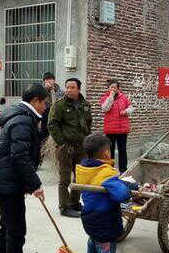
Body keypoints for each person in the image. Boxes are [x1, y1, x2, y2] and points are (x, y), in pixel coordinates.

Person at [0, 83, 47, 253]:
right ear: (35, 101)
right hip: (8, 183)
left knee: (7, 227)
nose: (45, 107)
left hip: (5, 181)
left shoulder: (18, 116)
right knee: (16, 231)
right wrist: (35, 184)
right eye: (44, 102)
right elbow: (20, 156)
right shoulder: (22, 120)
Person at [76, 133, 137, 253]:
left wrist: (120, 183)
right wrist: (127, 188)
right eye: (110, 149)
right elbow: (121, 195)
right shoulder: (105, 172)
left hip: (89, 218)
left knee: (93, 244)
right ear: (105, 153)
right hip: (105, 222)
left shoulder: (83, 167)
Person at [48, 78, 93, 218]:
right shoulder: (59, 105)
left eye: (72, 87)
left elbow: (88, 122)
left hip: (82, 147)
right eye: (67, 87)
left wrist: (87, 140)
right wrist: (61, 143)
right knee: (64, 179)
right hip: (66, 147)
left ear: (79, 89)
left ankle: (74, 203)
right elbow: (52, 125)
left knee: (80, 177)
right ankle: (64, 207)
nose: (68, 90)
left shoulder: (85, 105)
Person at [99, 80, 134, 173]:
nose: (113, 89)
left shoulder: (124, 98)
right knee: (110, 151)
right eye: (111, 87)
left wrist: (126, 111)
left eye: (115, 87)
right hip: (110, 129)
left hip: (123, 129)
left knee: (122, 150)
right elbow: (105, 108)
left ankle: (123, 170)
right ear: (108, 88)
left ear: (118, 89)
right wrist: (110, 96)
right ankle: (110, 170)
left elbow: (131, 108)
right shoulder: (105, 98)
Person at [40, 72, 64, 141]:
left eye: (50, 79)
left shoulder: (60, 92)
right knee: (44, 134)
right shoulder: (41, 91)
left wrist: (52, 91)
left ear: (54, 80)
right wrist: (46, 90)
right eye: (46, 80)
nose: (48, 82)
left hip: (56, 115)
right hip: (45, 115)